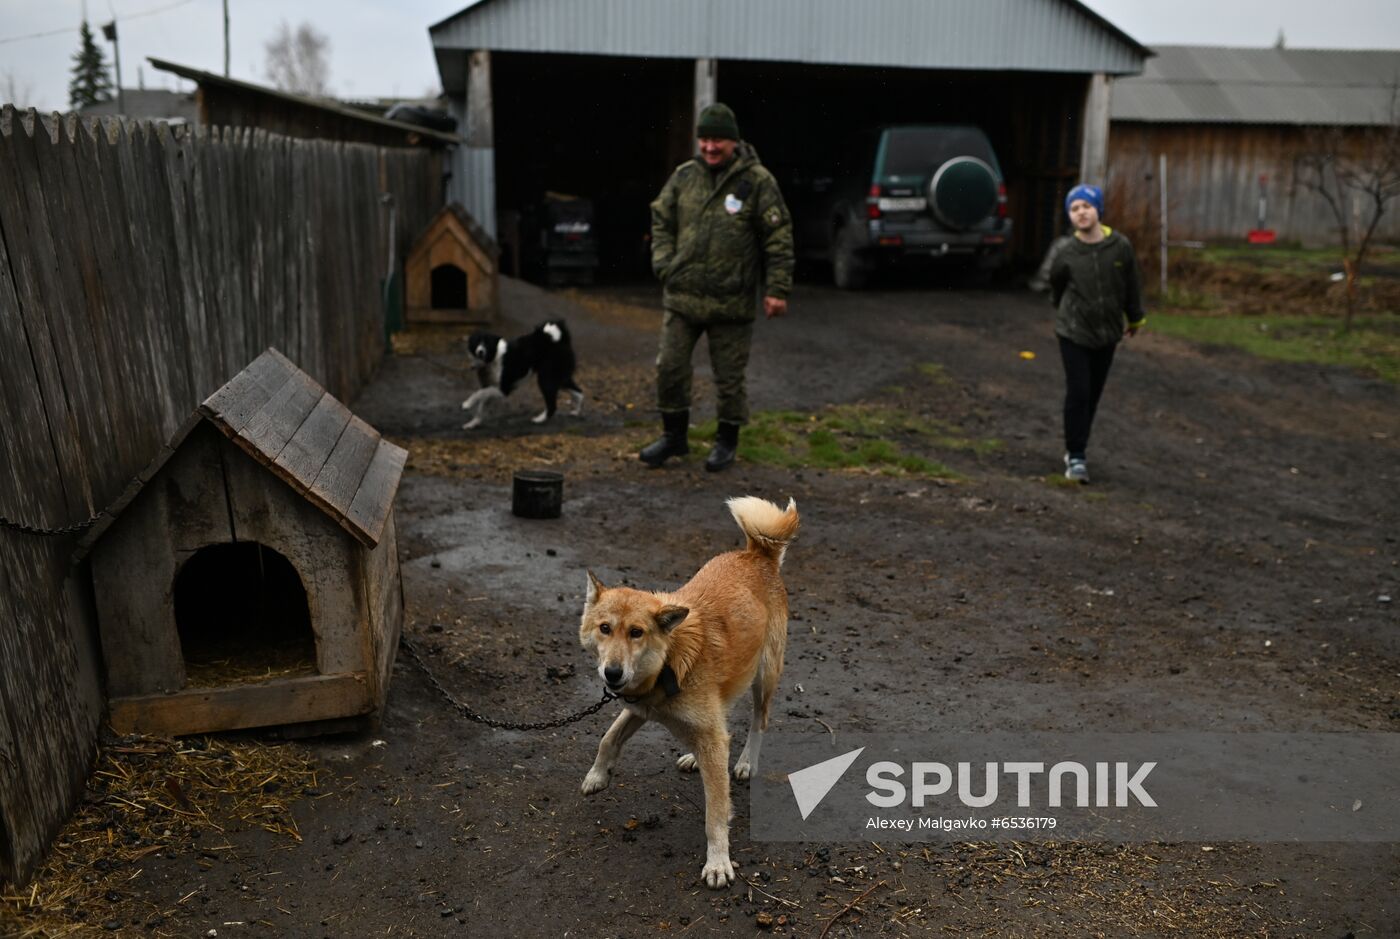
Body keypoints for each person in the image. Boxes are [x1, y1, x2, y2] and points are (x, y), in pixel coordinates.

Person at [639, 102, 794, 472]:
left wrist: (778, 288)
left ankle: (726, 442)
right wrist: (664, 263)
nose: (710, 147)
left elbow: (779, 236)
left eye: (718, 141)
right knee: (670, 368)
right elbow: (661, 217)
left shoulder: (757, 181)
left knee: (728, 378)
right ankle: (674, 437)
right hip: (683, 296)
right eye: (705, 139)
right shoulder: (684, 176)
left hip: (731, 300)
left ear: (734, 141)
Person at [1041, 183, 1147, 484]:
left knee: (1093, 395)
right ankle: (1076, 456)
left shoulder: (1120, 247)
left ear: (1098, 209)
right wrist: (1066, 312)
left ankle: (1078, 445)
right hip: (1073, 331)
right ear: (1070, 216)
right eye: (1074, 209)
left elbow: (1130, 285)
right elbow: (1057, 286)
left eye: (1086, 206)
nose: (1081, 212)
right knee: (1079, 391)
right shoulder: (1066, 252)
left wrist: (1135, 318)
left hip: (1107, 333)